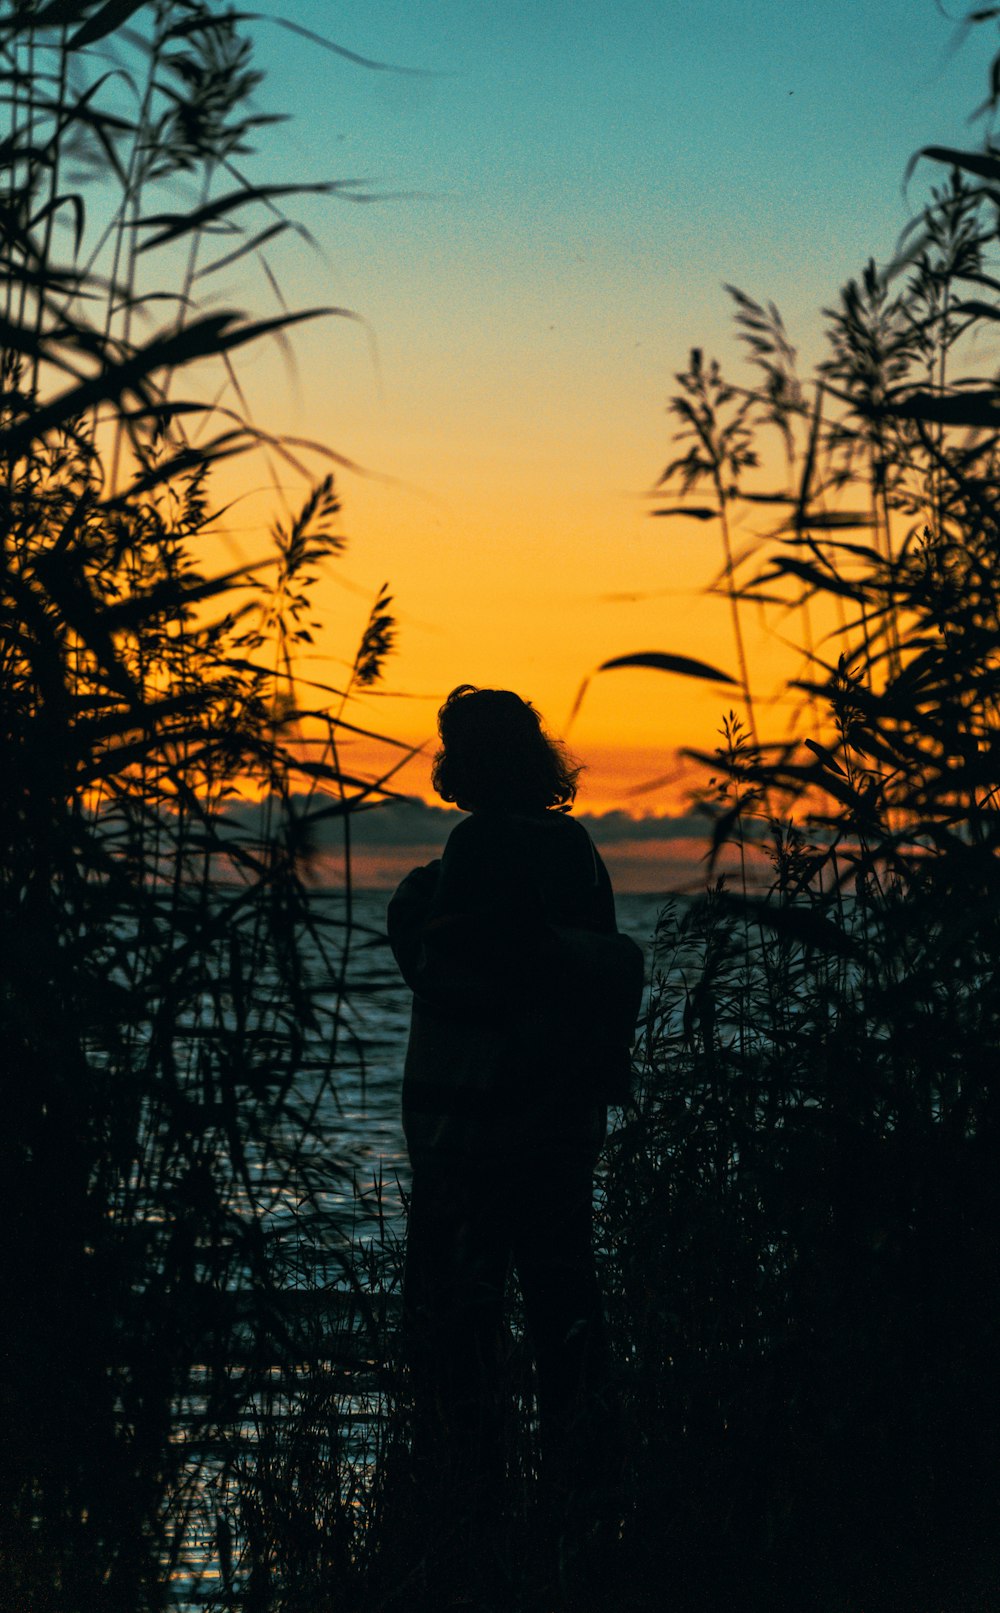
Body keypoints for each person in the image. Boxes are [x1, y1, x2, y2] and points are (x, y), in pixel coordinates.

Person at [386, 685, 643, 1589]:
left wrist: (409, 911)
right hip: (559, 1129)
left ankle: (470, 1519)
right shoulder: (576, 848)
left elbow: (450, 971)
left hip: (475, 1128)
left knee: (458, 1330)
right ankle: (588, 1508)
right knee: (569, 1315)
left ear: (467, 761)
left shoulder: (478, 844)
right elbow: (588, 967)